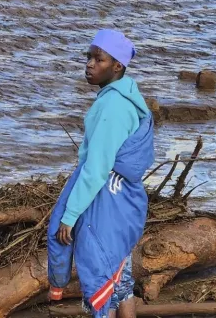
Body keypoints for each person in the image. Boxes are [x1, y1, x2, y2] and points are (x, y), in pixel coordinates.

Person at [47, 29, 154, 318]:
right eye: (89, 57)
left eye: (99, 59)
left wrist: (70, 215)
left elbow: (96, 169)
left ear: (117, 65)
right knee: (121, 280)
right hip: (124, 199)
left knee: (99, 278)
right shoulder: (128, 97)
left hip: (106, 203)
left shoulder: (112, 107)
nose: (90, 64)